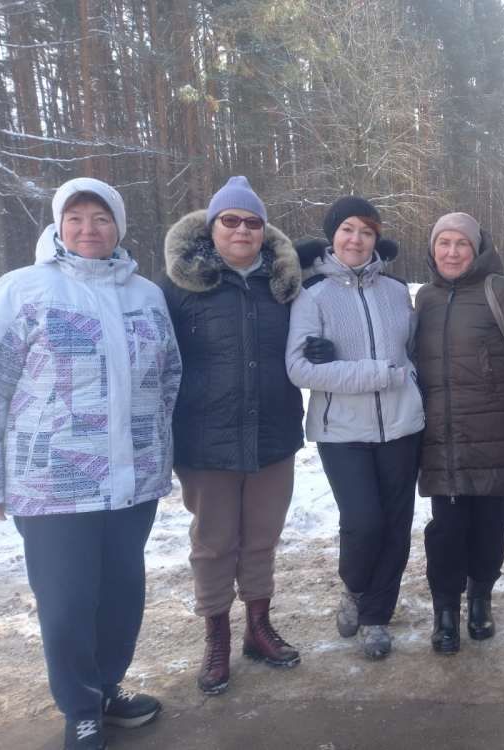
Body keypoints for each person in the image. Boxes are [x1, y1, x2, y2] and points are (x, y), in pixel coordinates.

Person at [0, 178, 181, 749]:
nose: (89, 229)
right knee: (67, 603)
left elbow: (168, 377)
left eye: (101, 218)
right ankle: (80, 708)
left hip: (131, 482)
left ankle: (107, 688)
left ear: (119, 225)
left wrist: (158, 455)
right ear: (58, 225)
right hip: (52, 484)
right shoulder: (24, 290)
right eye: (76, 218)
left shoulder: (146, 295)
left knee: (121, 596)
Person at [162, 176, 305, 696]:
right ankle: (217, 637)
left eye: (251, 222)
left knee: (262, 537)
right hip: (206, 439)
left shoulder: (284, 286)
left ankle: (258, 628)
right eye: (230, 220)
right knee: (214, 542)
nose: (241, 230)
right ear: (211, 226)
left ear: (263, 230)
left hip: (273, 433)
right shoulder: (177, 288)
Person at [286, 196, 424, 661]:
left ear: (375, 239)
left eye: (366, 231)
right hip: (342, 430)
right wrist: (374, 373)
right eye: (347, 229)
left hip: (402, 426)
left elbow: (412, 353)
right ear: (332, 236)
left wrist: (410, 382)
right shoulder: (312, 294)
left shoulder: (396, 290)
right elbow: (298, 368)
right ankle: (355, 588)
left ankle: (376, 617)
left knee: (397, 527)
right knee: (364, 522)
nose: (356, 239)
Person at [414, 212, 504, 654]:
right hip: (441, 437)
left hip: (493, 429)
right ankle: (445, 611)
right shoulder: (425, 298)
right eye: (444, 243)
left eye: (462, 244)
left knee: (489, 526)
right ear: (433, 249)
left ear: (476, 250)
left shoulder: (497, 289)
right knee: (445, 530)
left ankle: (481, 598)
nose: (452, 252)